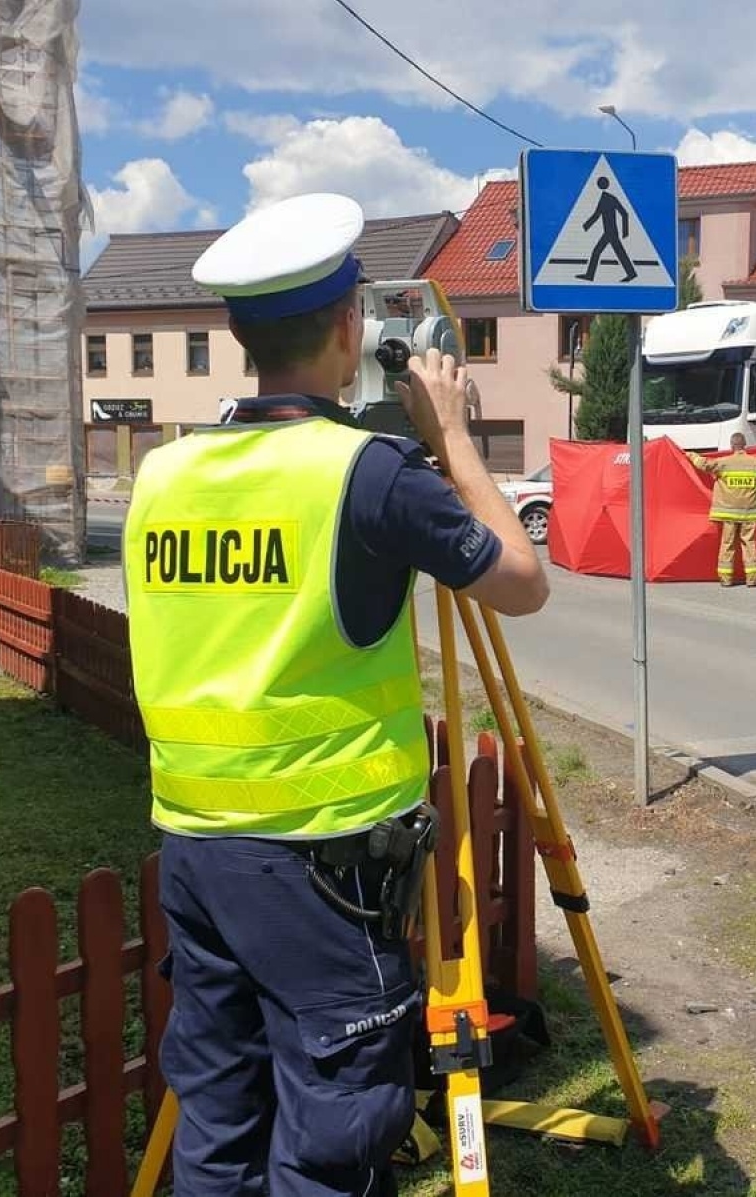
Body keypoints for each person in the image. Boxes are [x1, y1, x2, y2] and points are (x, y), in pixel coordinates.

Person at [122, 192, 550, 1197]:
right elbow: (521, 584)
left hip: (194, 845)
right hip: (325, 865)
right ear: (355, 325)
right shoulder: (369, 473)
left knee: (220, 1118)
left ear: (238, 334)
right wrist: (450, 435)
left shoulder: (163, 473)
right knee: (332, 1136)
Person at [687, 432, 756, 586]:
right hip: (749, 513)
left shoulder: (723, 462)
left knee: (727, 544)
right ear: (745, 446)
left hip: (727, 513)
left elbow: (702, 464)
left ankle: (726, 580)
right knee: (749, 544)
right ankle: (752, 579)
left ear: (732, 446)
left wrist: (691, 455)